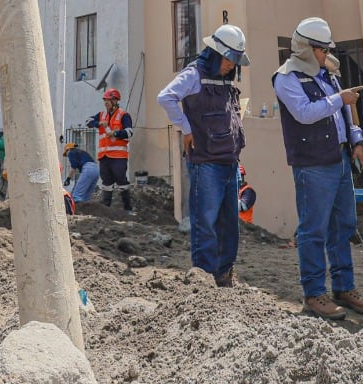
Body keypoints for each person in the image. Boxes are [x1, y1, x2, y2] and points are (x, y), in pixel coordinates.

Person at [273, 17, 363, 320]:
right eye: (321, 49)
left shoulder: (326, 75)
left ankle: (344, 287)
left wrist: (356, 138)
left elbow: (345, 112)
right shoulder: (287, 78)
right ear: (305, 48)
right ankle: (314, 293)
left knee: (343, 225)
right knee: (314, 229)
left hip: (339, 158)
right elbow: (305, 114)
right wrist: (338, 98)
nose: (325, 55)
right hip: (313, 164)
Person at [157, 22, 249, 287]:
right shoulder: (194, 73)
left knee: (230, 223)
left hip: (229, 162)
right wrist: (186, 128)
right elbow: (166, 97)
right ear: (217, 52)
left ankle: (224, 273)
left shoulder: (224, 79)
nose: (232, 64)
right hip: (206, 163)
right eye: (229, 58)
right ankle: (204, 279)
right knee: (205, 224)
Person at [86, 88, 135, 212]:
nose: (106, 103)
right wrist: (98, 124)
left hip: (118, 156)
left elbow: (129, 132)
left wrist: (116, 133)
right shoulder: (102, 115)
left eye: (108, 100)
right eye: (105, 101)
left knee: (121, 181)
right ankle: (106, 209)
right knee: (106, 183)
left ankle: (127, 209)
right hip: (104, 156)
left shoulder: (124, 115)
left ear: (115, 101)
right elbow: (88, 121)